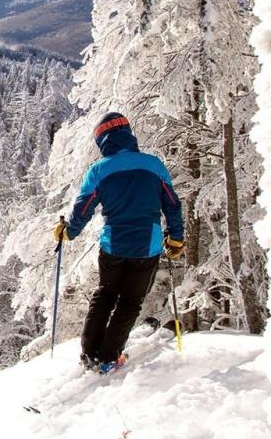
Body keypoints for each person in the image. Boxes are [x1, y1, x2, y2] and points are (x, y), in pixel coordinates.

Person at [53, 112, 185, 374]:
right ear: (128, 133)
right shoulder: (154, 165)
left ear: (103, 141)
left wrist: (68, 232)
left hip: (113, 245)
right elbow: (172, 204)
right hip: (147, 246)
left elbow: (83, 209)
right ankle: (109, 356)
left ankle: (89, 352)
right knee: (130, 301)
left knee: (104, 295)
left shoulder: (99, 170)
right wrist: (176, 238)